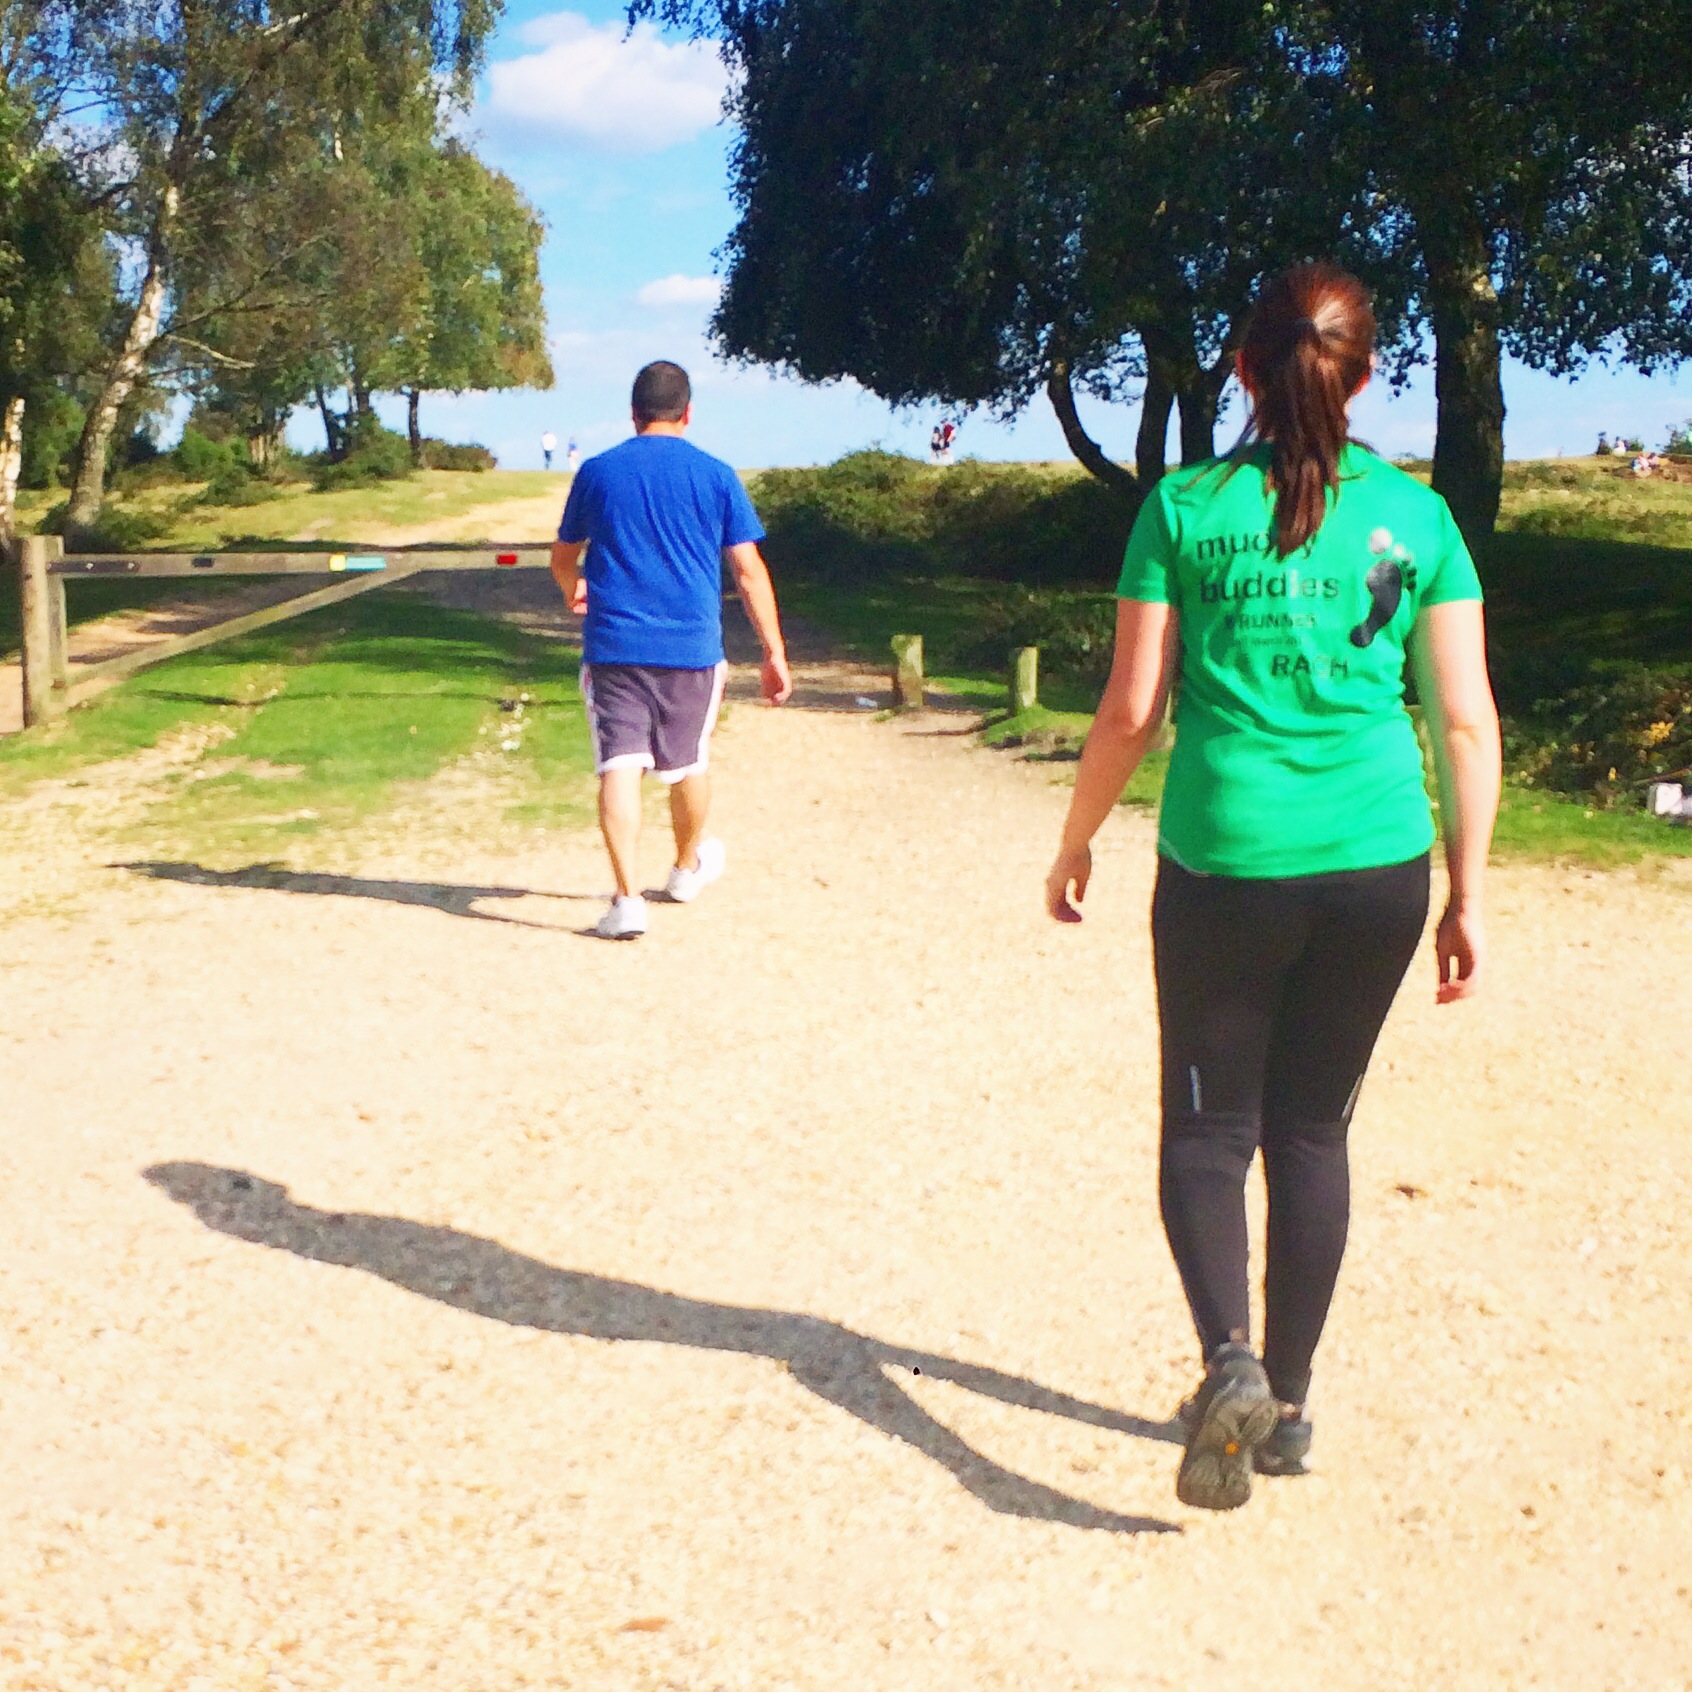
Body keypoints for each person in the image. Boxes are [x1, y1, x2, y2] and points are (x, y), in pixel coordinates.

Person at [1044, 262, 1501, 1512]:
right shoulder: (1420, 517)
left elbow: (1131, 709)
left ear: (1242, 368)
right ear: (1365, 374)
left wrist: (1077, 838)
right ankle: (1286, 1411)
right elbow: (1464, 721)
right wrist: (1467, 892)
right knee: (1312, 1132)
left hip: (1227, 863)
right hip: (1377, 866)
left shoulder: (1183, 507)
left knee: (1208, 1130)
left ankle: (1230, 1365)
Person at [551, 360, 793, 941]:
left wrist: (572, 588)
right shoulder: (716, 475)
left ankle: (627, 900)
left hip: (615, 645)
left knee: (619, 766)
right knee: (689, 764)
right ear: (688, 412)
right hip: (692, 649)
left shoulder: (598, 472)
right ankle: (686, 869)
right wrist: (774, 652)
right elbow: (748, 570)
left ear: (633, 414)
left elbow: (562, 555)